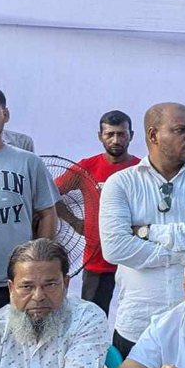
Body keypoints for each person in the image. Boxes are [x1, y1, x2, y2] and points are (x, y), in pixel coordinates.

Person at [99, 102, 185, 357]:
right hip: (138, 324)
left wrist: (148, 232)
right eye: (180, 130)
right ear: (153, 135)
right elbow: (115, 248)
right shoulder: (121, 183)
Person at [0, 85, 57, 326]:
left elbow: (47, 213)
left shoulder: (28, 162)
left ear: (5, 115)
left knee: (21, 346)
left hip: (20, 283)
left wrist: (40, 262)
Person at [0, 239, 108, 368]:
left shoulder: (87, 318)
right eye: (26, 286)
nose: (38, 296)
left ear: (65, 284)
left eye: (50, 285)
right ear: (11, 288)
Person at [54, 109, 140, 315]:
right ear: (100, 136)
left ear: (131, 135)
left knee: (136, 316)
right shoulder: (87, 167)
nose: (116, 140)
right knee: (93, 316)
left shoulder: (142, 169)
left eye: (121, 134)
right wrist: (75, 222)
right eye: (110, 134)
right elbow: (51, 194)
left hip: (135, 257)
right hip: (97, 258)